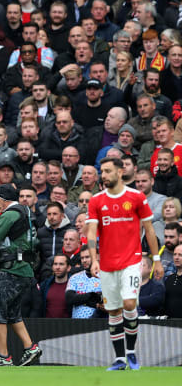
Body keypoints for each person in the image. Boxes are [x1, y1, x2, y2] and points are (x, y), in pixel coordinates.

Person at [86, 157, 158, 370]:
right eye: (102, 171)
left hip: (131, 260)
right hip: (107, 264)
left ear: (120, 172)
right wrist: (93, 259)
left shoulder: (136, 197)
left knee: (129, 304)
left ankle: (131, 352)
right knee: (114, 311)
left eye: (108, 171)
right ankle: (119, 359)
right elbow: (91, 232)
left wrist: (156, 260)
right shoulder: (96, 200)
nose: (104, 175)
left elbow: (150, 229)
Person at [0, 184, 42, 366]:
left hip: (11, 269)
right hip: (24, 269)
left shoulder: (11, 213)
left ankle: (3, 356)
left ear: (4, 199)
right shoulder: (25, 212)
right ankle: (31, 348)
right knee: (12, 313)